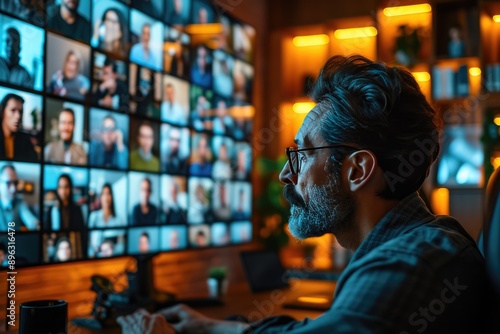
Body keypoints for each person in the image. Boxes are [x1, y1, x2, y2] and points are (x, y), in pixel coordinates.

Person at [119, 55, 495, 333]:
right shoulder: (418, 244)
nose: (285, 172)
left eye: (300, 155)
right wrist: (212, 328)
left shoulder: (406, 265)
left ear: (359, 170)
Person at [0, 93, 38, 161]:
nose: (18, 116)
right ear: (3, 111)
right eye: (13, 110)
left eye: (20, 112)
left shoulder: (25, 140)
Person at [0, 164, 38, 231]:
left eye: (15, 183)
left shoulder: (20, 203)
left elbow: (32, 223)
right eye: (8, 183)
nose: (13, 189)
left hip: (14, 241)